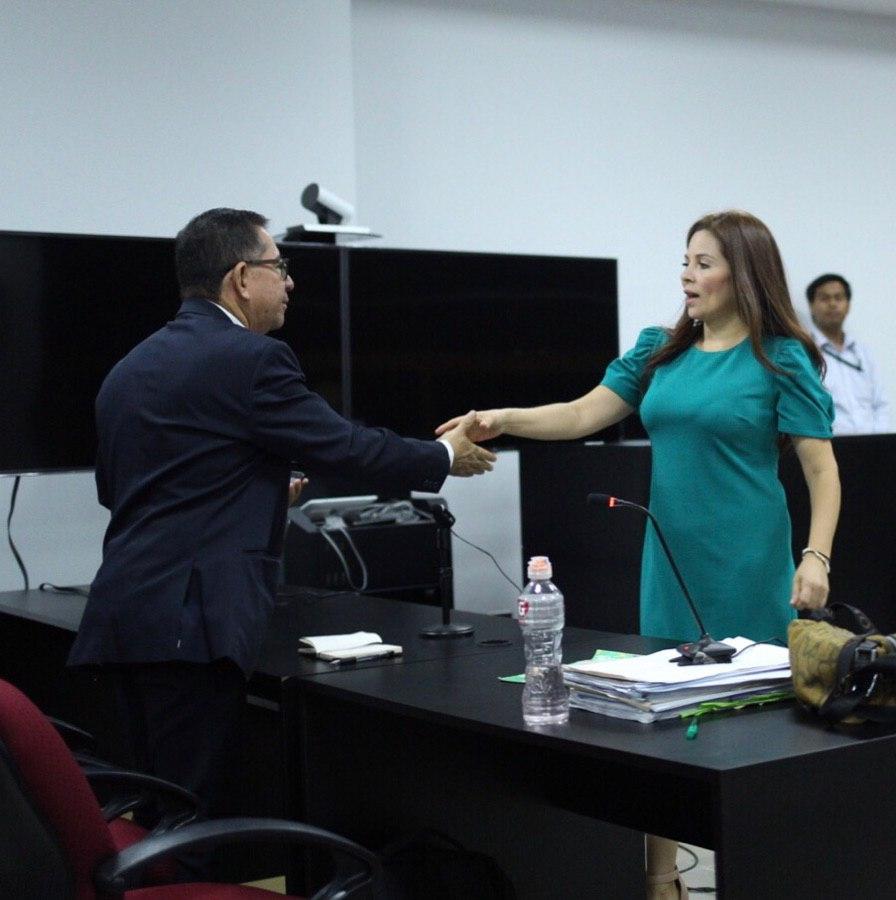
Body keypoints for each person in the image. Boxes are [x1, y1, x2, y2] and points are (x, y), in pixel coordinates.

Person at [67, 208, 496, 873]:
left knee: (145, 820)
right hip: (190, 630)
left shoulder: (129, 367)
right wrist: (441, 458)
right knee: (187, 825)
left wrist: (259, 486)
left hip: (120, 622)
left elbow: (131, 490)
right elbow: (346, 447)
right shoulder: (252, 359)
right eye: (280, 267)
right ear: (241, 277)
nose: (290, 283)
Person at [438, 210, 840, 900]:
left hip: (748, 559)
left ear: (743, 274)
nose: (688, 274)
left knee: (754, 724)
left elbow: (822, 472)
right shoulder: (660, 349)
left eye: (704, 262)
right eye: (685, 260)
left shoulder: (782, 358)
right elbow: (580, 413)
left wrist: (817, 556)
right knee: (658, 719)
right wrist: (502, 419)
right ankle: (662, 881)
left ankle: (768, 867)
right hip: (670, 559)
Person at [805, 272, 889, 434]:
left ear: (848, 305)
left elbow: (880, 403)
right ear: (811, 306)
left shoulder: (862, 353)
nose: (832, 304)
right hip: (830, 447)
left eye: (838, 298)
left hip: (875, 446)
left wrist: (880, 439)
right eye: (824, 298)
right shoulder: (805, 352)